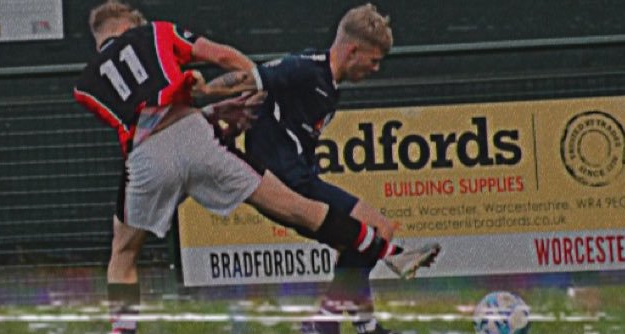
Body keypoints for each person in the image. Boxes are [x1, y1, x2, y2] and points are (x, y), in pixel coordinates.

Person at [71, 2, 434, 333]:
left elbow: (142, 118)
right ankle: (385, 262)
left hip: (148, 153)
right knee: (328, 218)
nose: (376, 68)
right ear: (130, 26)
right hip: (218, 148)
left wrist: (212, 110)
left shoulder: (85, 85)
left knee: (123, 251)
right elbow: (231, 61)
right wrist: (235, 89)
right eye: (374, 60)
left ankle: (122, 330)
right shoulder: (153, 34)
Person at [202, 4, 440, 334]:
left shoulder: (327, 82)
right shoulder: (304, 68)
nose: (375, 68)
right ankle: (330, 324)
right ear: (353, 50)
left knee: (356, 246)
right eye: (374, 59)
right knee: (377, 229)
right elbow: (250, 78)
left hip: (301, 177)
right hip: (285, 182)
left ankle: (355, 325)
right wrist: (200, 94)